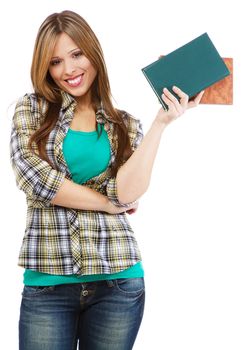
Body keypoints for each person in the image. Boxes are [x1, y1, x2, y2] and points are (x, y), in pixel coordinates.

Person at [9, 10, 204, 350]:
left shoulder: (124, 125)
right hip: (48, 285)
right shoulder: (31, 110)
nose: (68, 70)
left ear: (92, 52)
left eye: (76, 54)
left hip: (118, 282)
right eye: (55, 61)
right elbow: (35, 178)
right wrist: (107, 203)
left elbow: (128, 191)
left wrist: (160, 123)